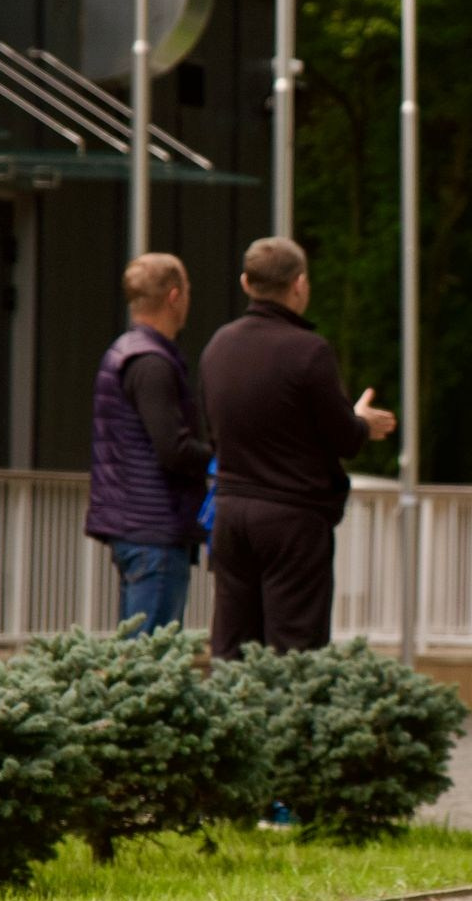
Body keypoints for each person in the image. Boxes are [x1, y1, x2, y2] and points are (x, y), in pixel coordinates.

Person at [197, 237, 396, 660]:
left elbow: (214, 429)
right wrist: (360, 422)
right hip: (292, 518)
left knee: (231, 645)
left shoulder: (218, 346)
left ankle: (229, 723)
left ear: (246, 282)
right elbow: (342, 437)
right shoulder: (309, 352)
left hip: (230, 514)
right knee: (294, 650)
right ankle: (288, 727)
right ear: (300, 284)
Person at [84, 253, 213, 634]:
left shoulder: (124, 353)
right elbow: (172, 449)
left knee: (137, 655)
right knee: (150, 660)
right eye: (188, 289)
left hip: (134, 524)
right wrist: (226, 458)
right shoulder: (152, 364)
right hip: (154, 528)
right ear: (174, 296)